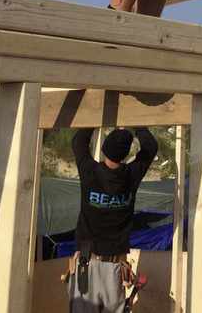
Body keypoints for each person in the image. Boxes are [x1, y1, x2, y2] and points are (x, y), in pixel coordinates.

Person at [68, 128, 159, 312]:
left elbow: (78, 141)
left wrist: (96, 117)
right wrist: (137, 125)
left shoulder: (90, 171)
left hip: (87, 265)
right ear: (125, 155)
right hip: (114, 268)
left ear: (104, 149)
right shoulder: (131, 175)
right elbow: (150, 147)